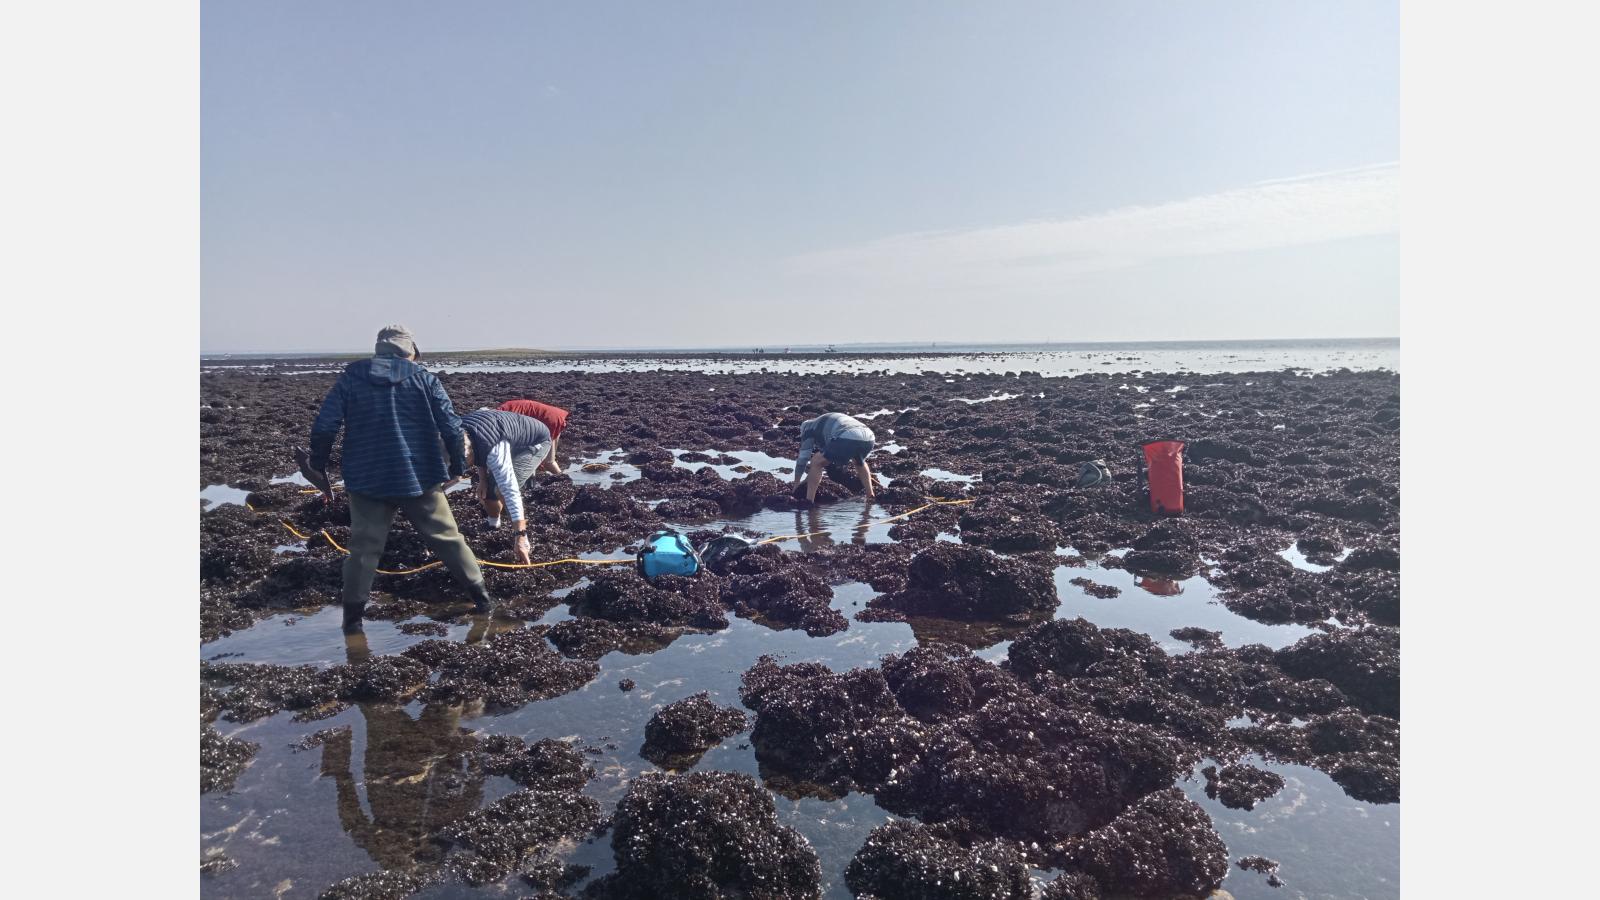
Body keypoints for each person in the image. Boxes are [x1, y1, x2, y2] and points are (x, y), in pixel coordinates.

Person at [307, 325, 495, 633]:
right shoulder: (424, 379)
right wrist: (459, 466)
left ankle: (351, 625)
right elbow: (450, 425)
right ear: (411, 352)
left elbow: (326, 424)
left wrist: (318, 461)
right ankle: (483, 602)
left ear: (379, 351)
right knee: (448, 540)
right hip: (418, 478)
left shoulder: (352, 377)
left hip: (366, 480)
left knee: (363, 550)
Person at [459, 408, 551, 562]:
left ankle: (525, 543)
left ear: (469, 453)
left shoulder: (493, 449)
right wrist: (482, 480)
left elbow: (510, 491)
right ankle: (493, 525)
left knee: (501, 490)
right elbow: (478, 452)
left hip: (535, 441)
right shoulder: (458, 432)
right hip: (506, 437)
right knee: (488, 493)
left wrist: (520, 536)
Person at [793, 412, 876, 504]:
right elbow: (827, 455)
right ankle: (870, 495)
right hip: (869, 437)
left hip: (848, 436)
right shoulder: (822, 422)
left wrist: (796, 484)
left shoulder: (808, 429)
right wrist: (808, 478)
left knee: (816, 461)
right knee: (859, 462)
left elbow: (803, 459)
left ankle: (809, 501)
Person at [497, 398, 569, 475]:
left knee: (546, 461)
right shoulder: (555, 420)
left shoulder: (558, 420)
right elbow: (548, 462)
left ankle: (560, 476)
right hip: (509, 415)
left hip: (547, 418)